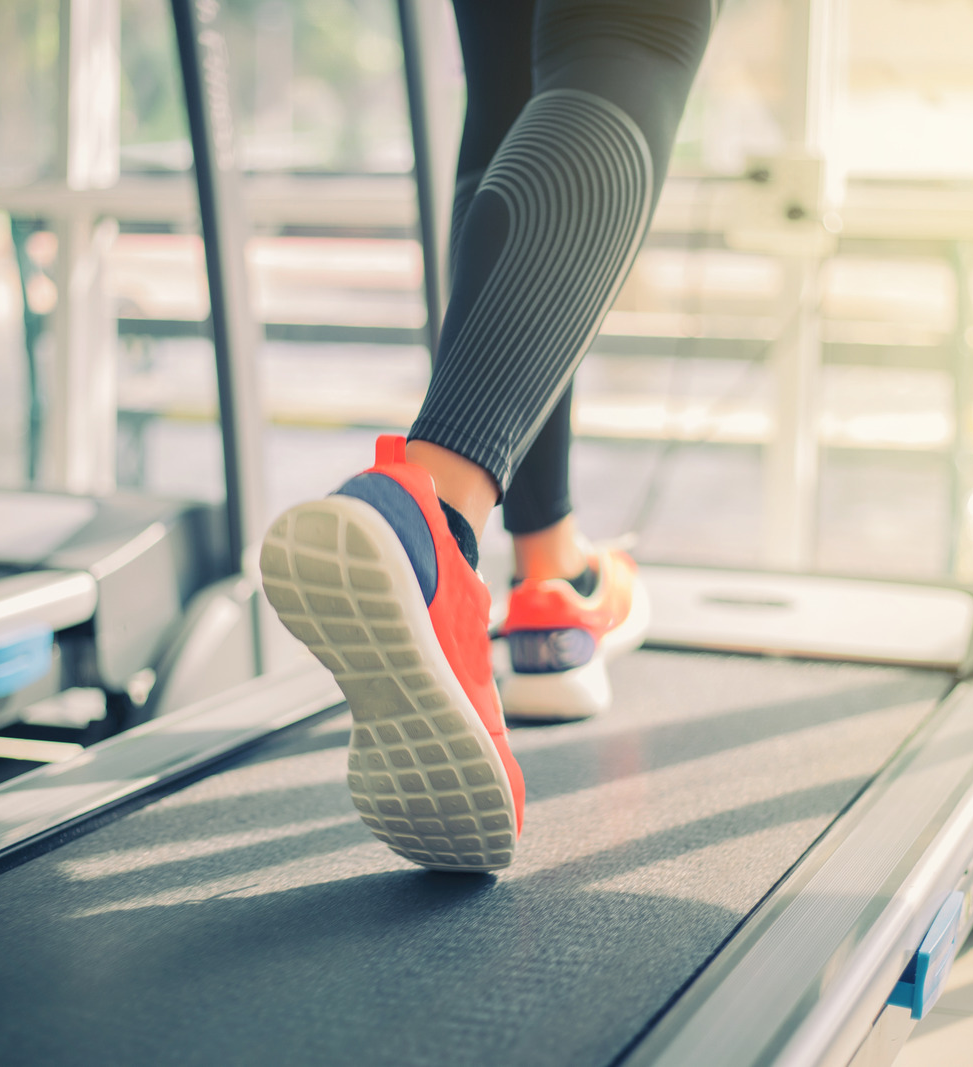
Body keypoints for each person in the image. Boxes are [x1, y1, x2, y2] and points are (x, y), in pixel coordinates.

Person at [258, 0, 717, 873]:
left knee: (511, 89)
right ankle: (433, 521)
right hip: (435, 512)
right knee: (627, 38)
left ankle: (550, 574)